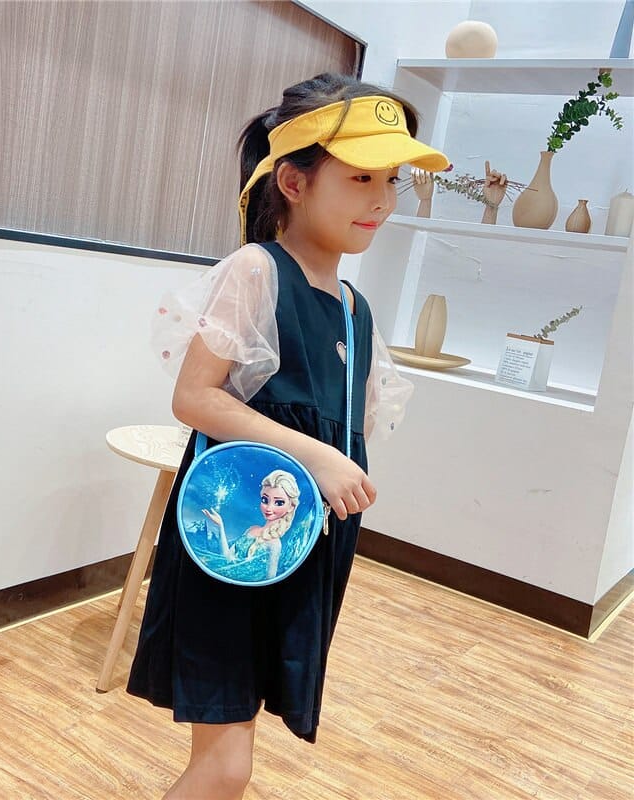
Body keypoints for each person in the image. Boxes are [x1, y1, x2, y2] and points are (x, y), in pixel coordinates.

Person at [126, 72, 449, 799]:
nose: (382, 200)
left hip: (299, 551)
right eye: (361, 176)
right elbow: (194, 397)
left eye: (391, 180)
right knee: (225, 765)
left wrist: (334, 464)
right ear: (294, 183)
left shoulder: (355, 310)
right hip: (233, 547)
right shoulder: (257, 270)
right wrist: (316, 454)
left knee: (232, 757)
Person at [202, 469, 300, 579]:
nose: (269, 508)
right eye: (265, 500)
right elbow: (227, 557)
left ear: (291, 507)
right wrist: (220, 525)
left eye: (279, 503)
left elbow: (270, 578)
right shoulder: (252, 529)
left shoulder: (274, 544)